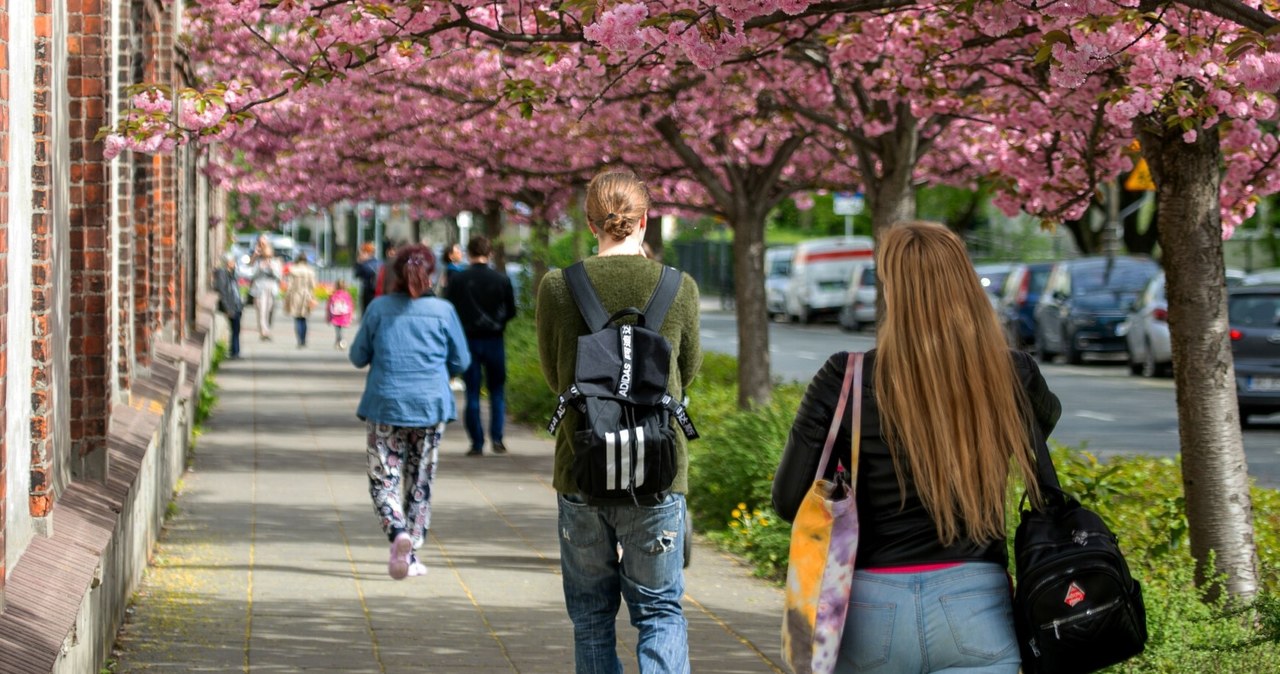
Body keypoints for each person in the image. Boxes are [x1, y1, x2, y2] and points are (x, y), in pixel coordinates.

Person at [771, 221, 1062, 674]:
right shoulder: (1012, 374)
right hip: (978, 605)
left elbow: (790, 501)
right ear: (965, 282)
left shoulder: (844, 378)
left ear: (891, 288)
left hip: (869, 609)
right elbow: (1045, 425)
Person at [535, 170, 702, 674]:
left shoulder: (559, 287)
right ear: (645, 220)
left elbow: (552, 372)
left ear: (590, 222)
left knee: (590, 616)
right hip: (657, 470)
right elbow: (686, 371)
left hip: (582, 467)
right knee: (660, 612)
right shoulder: (679, 287)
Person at [349, 244, 470, 580]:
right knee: (420, 479)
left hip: (385, 404)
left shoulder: (378, 308)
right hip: (430, 406)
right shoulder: (444, 311)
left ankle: (397, 531)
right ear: (431, 274)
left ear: (394, 274)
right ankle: (412, 551)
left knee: (384, 478)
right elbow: (462, 360)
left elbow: (358, 356)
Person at [445, 235, 517, 456]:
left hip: (468, 341)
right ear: (490, 253)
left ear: (468, 253)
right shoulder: (502, 279)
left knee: (473, 392)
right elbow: (512, 310)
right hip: (494, 339)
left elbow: (449, 310)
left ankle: (476, 442)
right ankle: (497, 438)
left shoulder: (458, 280)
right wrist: (498, 323)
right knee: (497, 391)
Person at [249, 235, 283, 340]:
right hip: (259, 288)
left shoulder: (276, 262)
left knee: (269, 309)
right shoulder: (257, 261)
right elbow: (250, 273)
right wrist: (260, 267)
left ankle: (266, 328)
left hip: (271, 288)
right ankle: (264, 332)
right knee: (261, 310)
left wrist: (272, 269)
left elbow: (279, 276)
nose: (267, 258)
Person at [284, 252, 319, 347]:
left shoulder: (293, 270)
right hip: (306, 296)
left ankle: (299, 339)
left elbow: (289, 285)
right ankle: (304, 339)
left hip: (295, 295)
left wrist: (287, 297)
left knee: (297, 318)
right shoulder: (310, 271)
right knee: (304, 318)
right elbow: (313, 286)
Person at [214, 252, 244, 359]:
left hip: (236, 305)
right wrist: (227, 308)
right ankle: (234, 352)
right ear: (228, 262)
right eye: (232, 261)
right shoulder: (222, 273)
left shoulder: (231, 273)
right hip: (231, 306)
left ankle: (236, 351)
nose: (234, 263)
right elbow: (222, 292)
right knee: (235, 329)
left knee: (236, 329)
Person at [354, 242, 381, 317]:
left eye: (361, 253)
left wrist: (359, 263)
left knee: (366, 313)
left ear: (366, 253)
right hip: (379, 291)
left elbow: (356, 274)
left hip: (368, 292)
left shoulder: (364, 265)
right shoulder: (380, 262)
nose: (360, 255)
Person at [327, 279, 355, 349]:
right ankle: (341, 341)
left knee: (337, 330)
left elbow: (329, 306)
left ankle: (339, 340)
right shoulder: (347, 295)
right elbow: (350, 306)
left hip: (335, 315)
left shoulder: (333, 294)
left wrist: (328, 316)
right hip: (344, 316)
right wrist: (351, 316)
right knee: (342, 329)